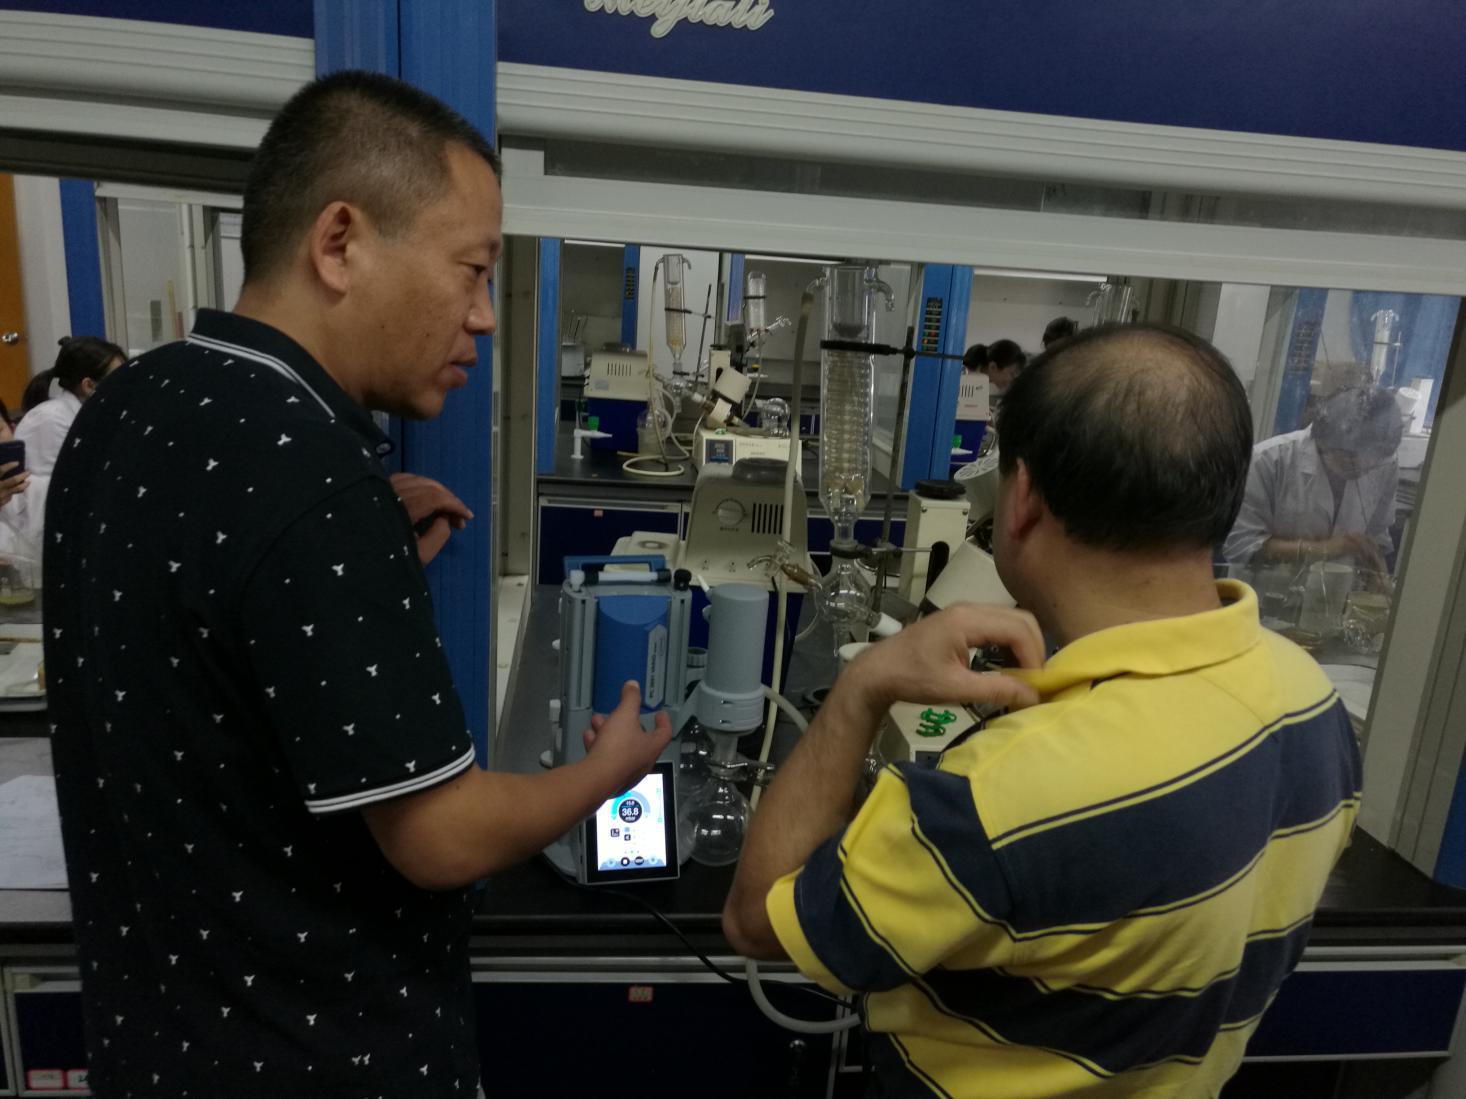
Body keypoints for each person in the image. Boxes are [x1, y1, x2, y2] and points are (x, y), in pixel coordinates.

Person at [45, 71, 672, 1098]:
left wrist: (348, 580)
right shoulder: (313, 477)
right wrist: (609, 771)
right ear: (339, 242)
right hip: (317, 1056)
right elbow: (441, 837)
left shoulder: (130, 403)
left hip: (153, 1044)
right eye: (472, 271)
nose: (483, 317)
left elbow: (196, 648)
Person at [725, 324, 1361, 1098]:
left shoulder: (995, 796)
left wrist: (863, 687)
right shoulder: (1313, 702)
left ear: (1020, 497)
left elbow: (756, 919)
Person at [1223, 384, 1402, 581]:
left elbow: (1378, 534)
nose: (1362, 467)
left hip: (1339, 591)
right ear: (1321, 440)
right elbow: (1241, 547)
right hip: (1265, 590)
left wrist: (1376, 571)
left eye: (1374, 458)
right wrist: (1323, 549)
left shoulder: (1386, 467)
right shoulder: (1266, 461)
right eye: (1349, 456)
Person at [0, 336, 121, 564]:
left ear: (12, 427)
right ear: (88, 385)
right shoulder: (52, 419)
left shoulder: (37, 490)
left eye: (0, 429)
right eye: (118, 379)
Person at [962, 338, 1026, 396]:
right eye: (1011, 374)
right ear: (993, 367)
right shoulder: (964, 378)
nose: (1012, 380)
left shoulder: (980, 384)